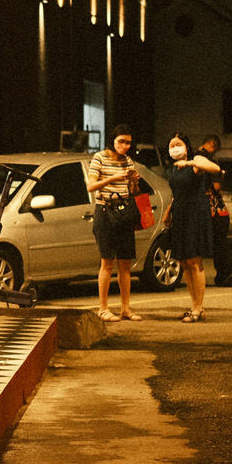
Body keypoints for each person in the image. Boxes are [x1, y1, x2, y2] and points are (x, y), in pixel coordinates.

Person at [86, 126, 144, 322]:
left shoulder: (128, 161)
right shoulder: (99, 158)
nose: (124, 146)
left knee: (125, 263)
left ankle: (125, 308)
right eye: (121, 141)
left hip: (124, 212)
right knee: (107, 262)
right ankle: (103, 308)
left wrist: (134, 182)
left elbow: (133, 191)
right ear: (112, 140)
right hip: (105, 211)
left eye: (128, 142)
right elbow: (91, 185)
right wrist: (112, 178)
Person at [161, 133, 218, 322]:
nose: (175, 148)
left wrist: (191, 164)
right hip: (180, 214)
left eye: (178, 144)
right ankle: (194, 305)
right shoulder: (174, 169)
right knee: (184, 263)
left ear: (187, 146)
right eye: (171, 145)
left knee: (194, 261)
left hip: (195, 214)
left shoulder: (196, 161)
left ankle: (198, 307)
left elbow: (215, 168)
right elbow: (177, 194)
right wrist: (169, 212)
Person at [198, 134, 232, 287]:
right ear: (213, 145)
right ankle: (225, 272)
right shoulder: (211, 161)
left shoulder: (193, 158)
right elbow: (216, 187)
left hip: (198, 206)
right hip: (214, 208)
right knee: (221, 241)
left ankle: (221, 270)